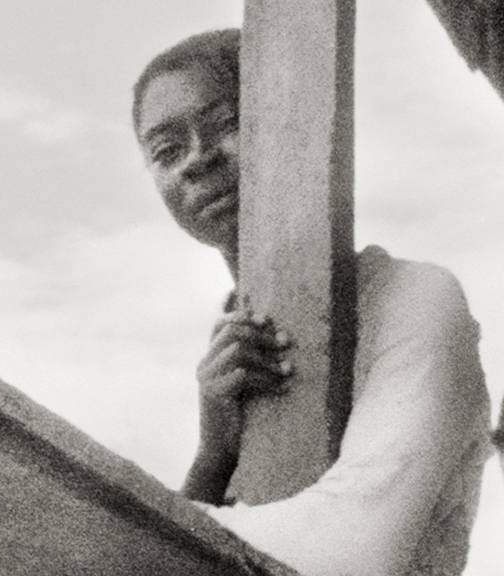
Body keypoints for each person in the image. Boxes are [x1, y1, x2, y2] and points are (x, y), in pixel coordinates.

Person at [133, 29, 492, 576]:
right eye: (166, 150)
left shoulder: (416, 297)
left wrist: (130, 544)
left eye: (228, 123)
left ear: (297, 120)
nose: (196, 161)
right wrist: (213, 457)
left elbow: (351, 550)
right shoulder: (232, 348)